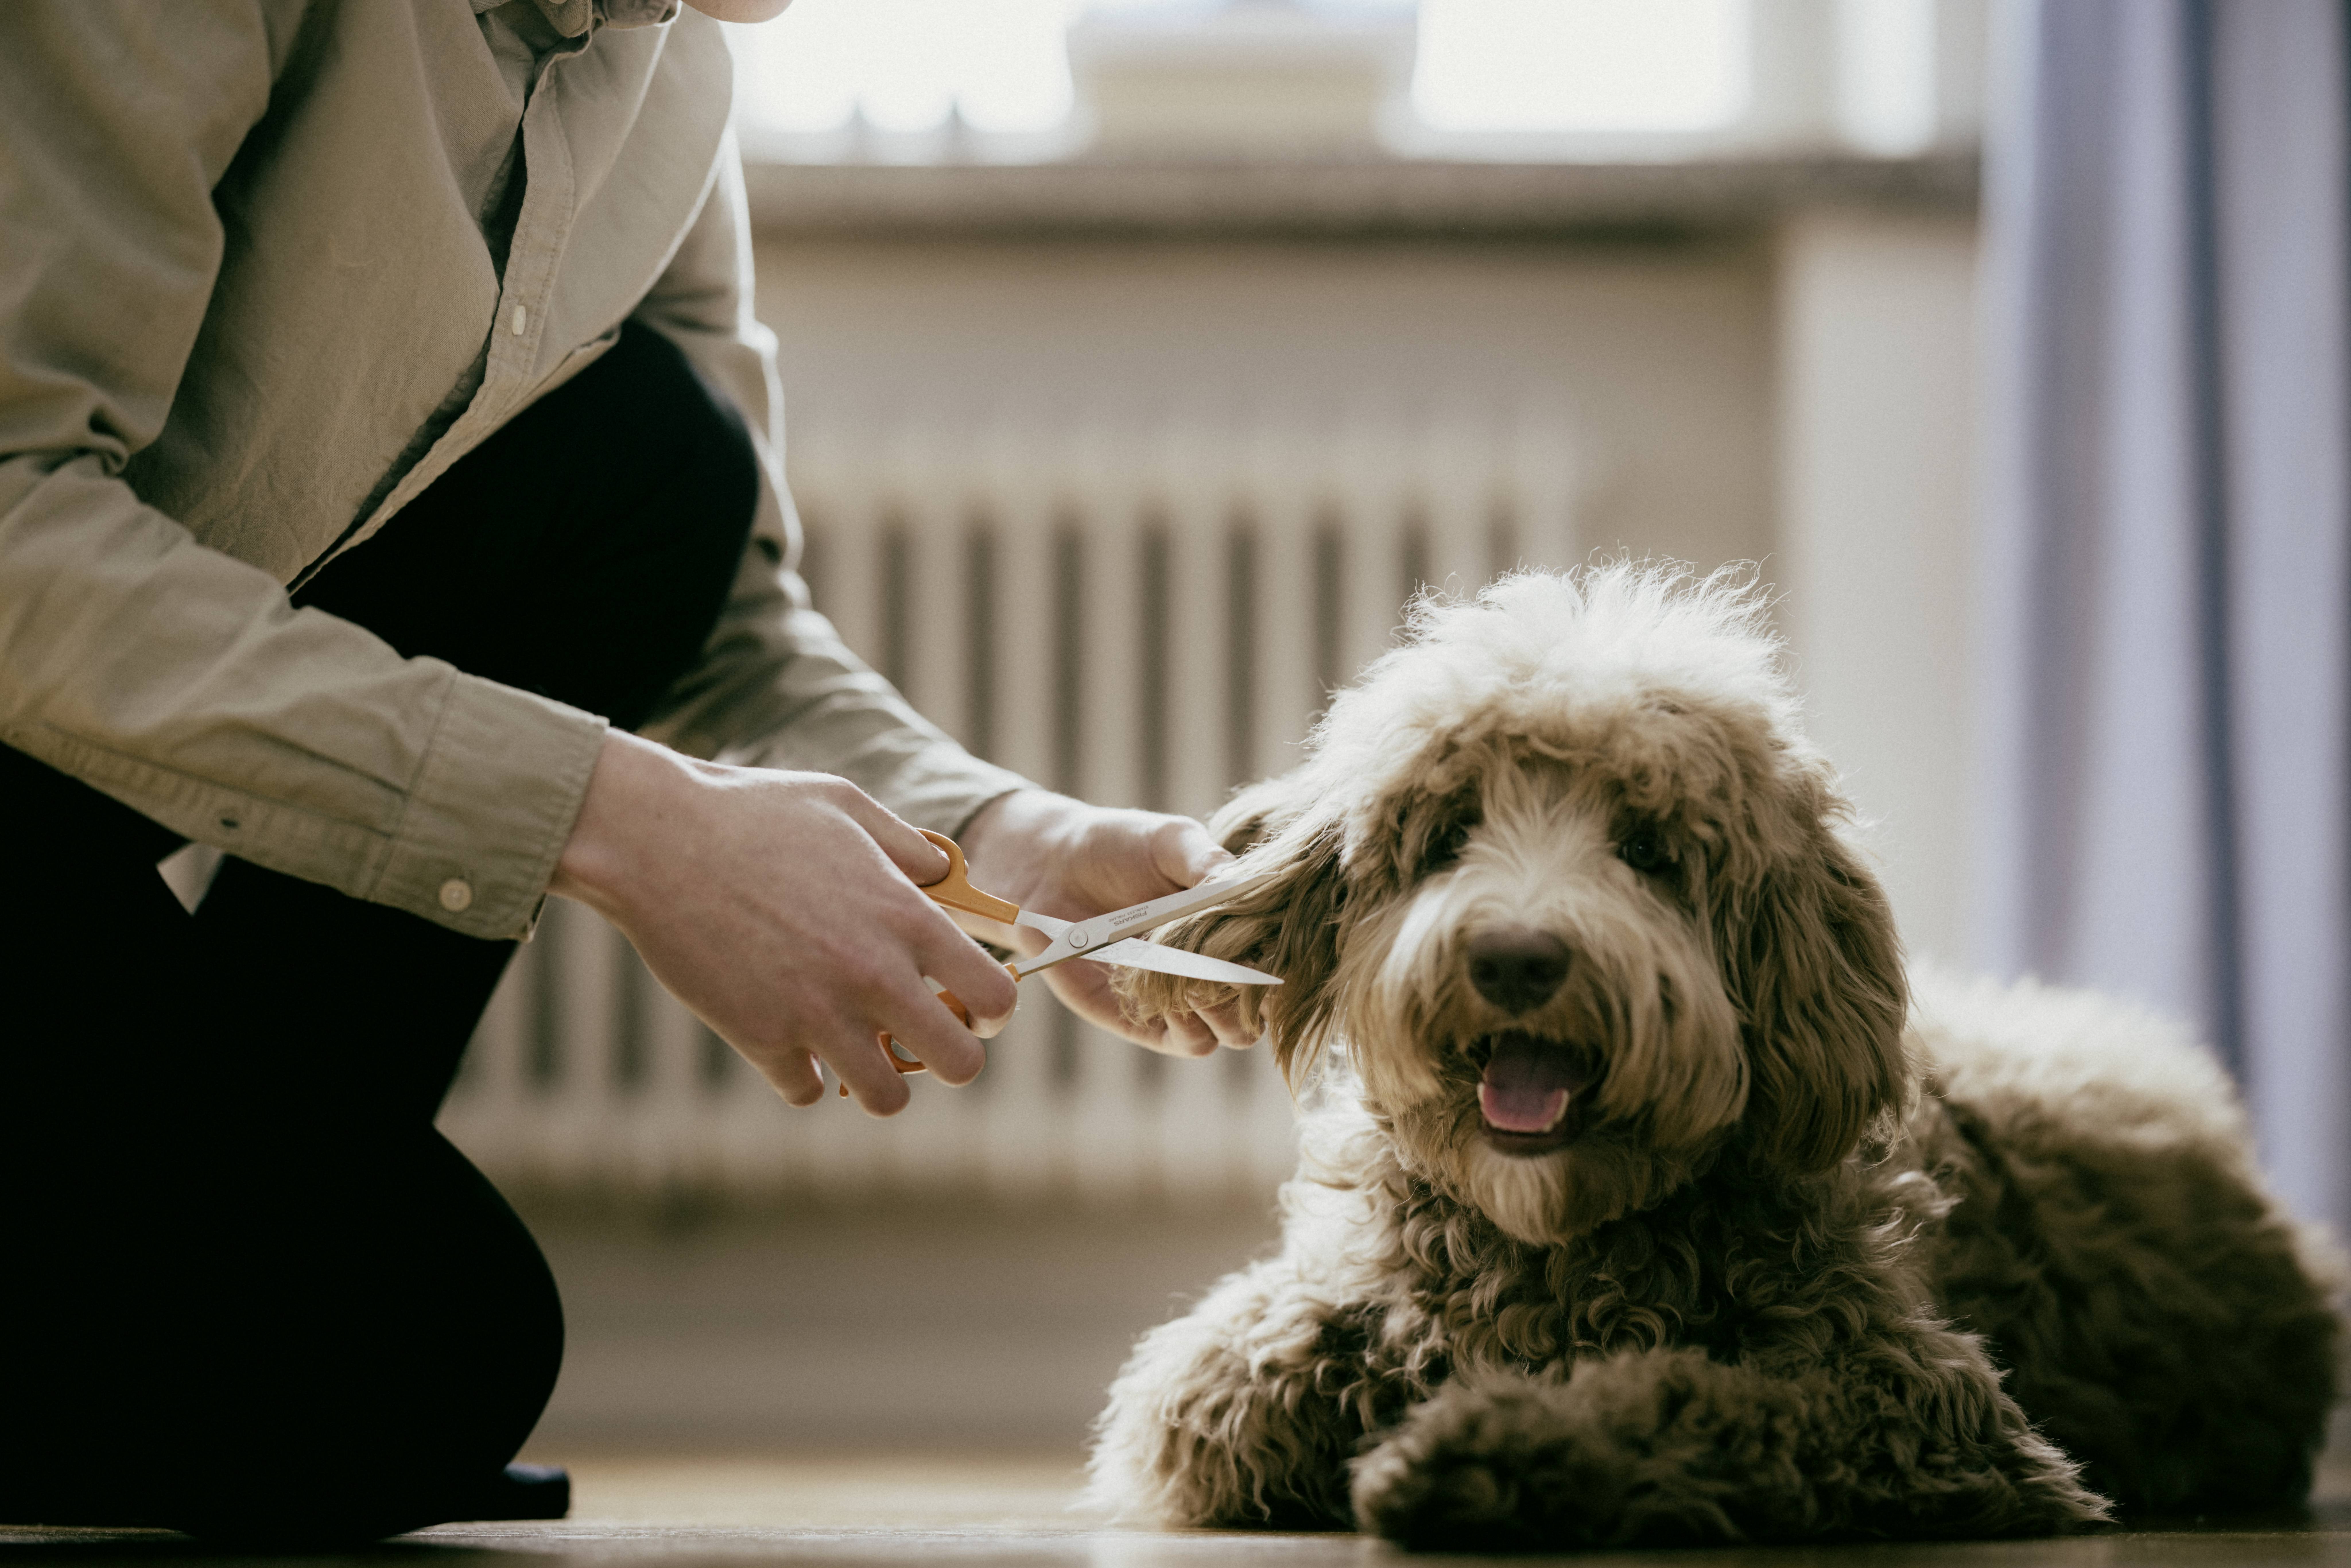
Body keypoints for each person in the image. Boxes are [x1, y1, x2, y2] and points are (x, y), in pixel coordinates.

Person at [0, 0, 1248, 1542]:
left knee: (658, 462)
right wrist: (618, 822)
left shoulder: (670, 61)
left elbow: (715, 610)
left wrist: (1011, 836)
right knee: (409, 1365)